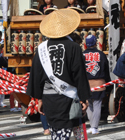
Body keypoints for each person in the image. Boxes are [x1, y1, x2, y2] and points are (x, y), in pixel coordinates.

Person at [27, 9, 90, 140]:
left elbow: (36, 76)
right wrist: (84, 98)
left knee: (56, 132)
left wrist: (39, 99)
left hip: (49, 99)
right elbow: (79, 74)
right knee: (66, 131)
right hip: (69, 98)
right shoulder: (74, 47)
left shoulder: (41, 49)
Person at [83, 35, 110, 135]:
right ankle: (94, 127)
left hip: (86, 83)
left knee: (89, 104)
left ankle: (92, 126)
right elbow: (106, 69)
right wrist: (108, 81)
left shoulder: (82, 54)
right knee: (97, 104)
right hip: (99, 82)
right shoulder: (101, 54)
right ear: (95, 42)